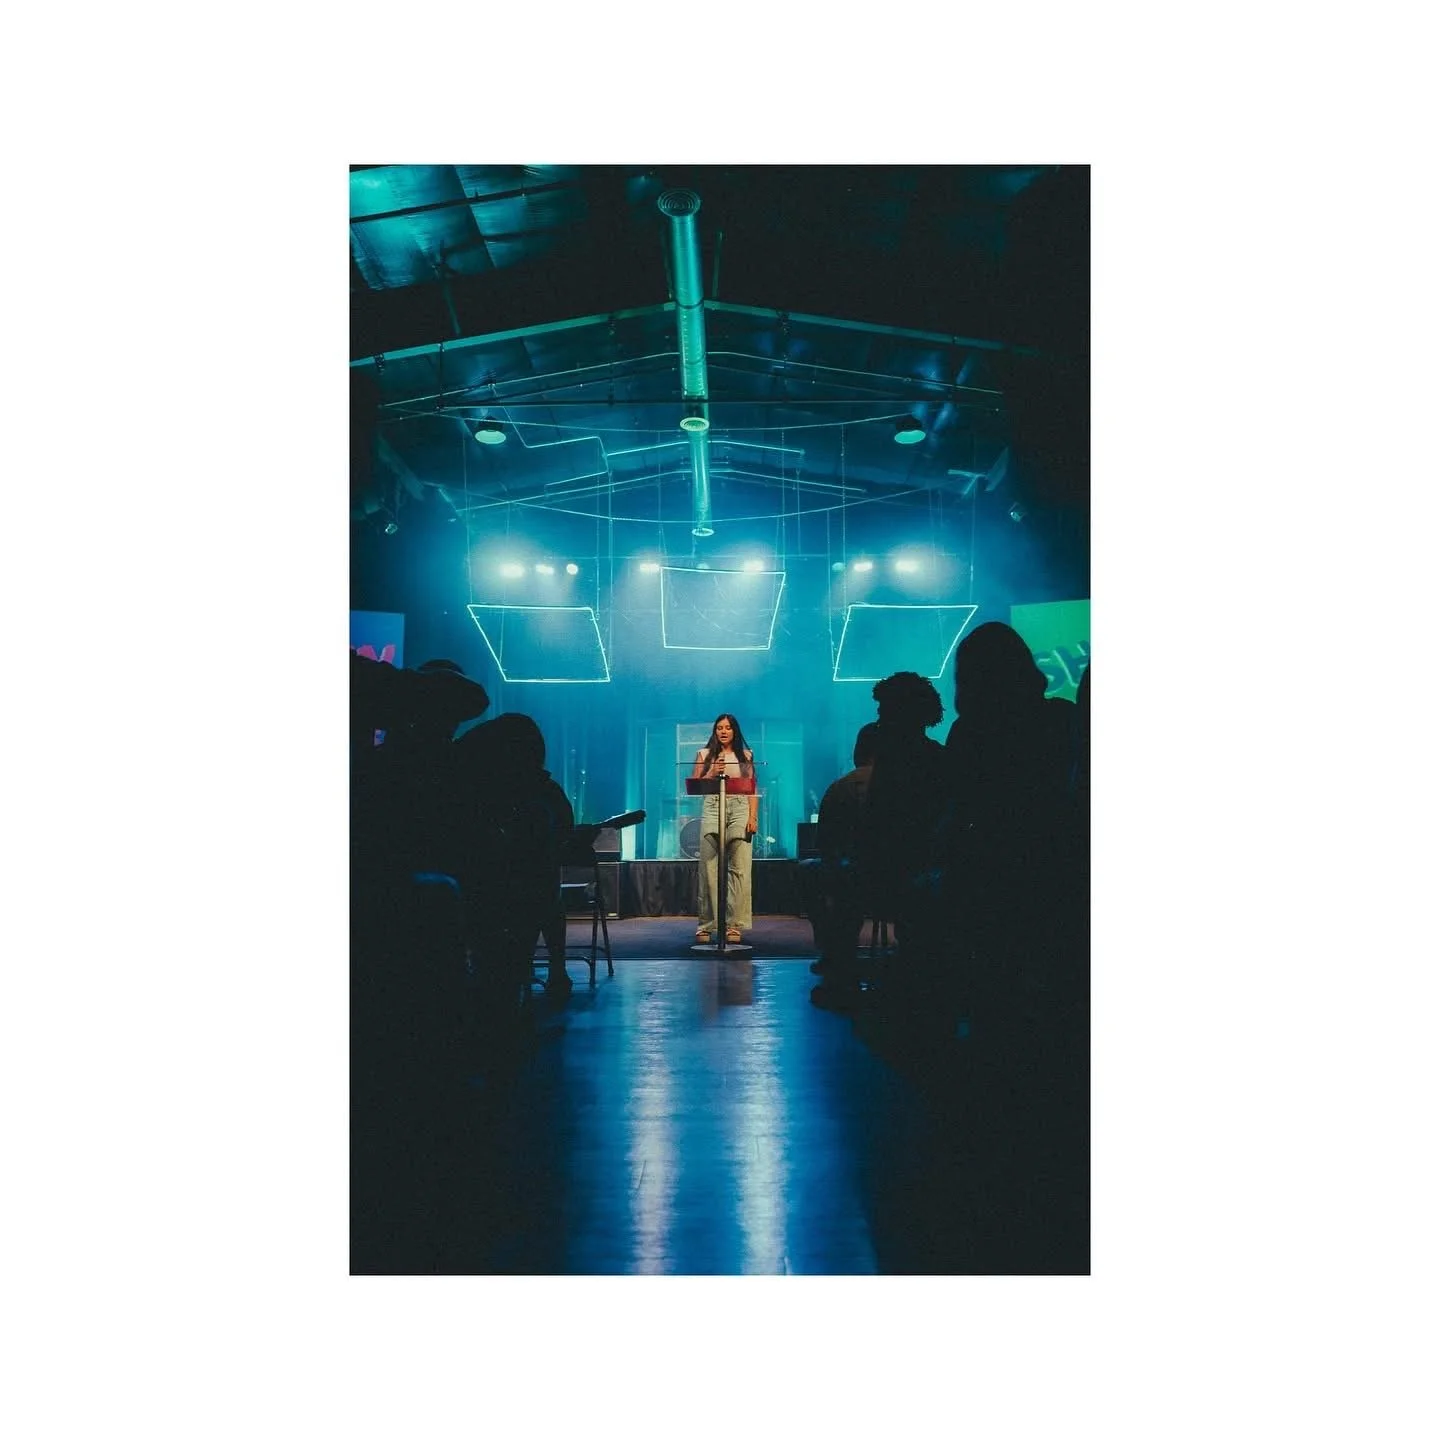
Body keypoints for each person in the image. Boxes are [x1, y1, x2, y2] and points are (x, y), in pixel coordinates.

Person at [691, 713, 758, 944]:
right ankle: (707, 924)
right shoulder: (703, 754)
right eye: (719, 727)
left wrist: (753, 816)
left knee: (739, 868)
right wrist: (712, 770)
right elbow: (695, 784)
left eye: (728, 727)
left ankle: (733, 924)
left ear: (734, 731)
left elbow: (752, 787)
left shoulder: (746, 755)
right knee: (709, 867)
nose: (723, 731)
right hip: (712, 805)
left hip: (739, 806)